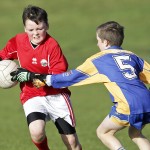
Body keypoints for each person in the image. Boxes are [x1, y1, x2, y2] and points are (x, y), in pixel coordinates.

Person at [11, 21, 150, 150]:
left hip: (127, 105)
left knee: (104, 132)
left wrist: (34, 77)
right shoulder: (132, 56)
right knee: (135, 134)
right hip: (147, 102)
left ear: (106, 42)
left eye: (98, 41)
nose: (97, 45)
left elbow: (70, 78)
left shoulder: (99, 60)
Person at [0, 5, 82, 150]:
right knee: (36, 132)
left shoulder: (52, 46)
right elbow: (2, 56)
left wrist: (30, 76)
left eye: (39, 28)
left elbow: (58, 78)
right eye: (31, 30)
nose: (35, 33)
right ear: (25, 28)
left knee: (72, 144)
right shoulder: (18, 41)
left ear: (47, 26)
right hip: (32, 95)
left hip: (57, 95)